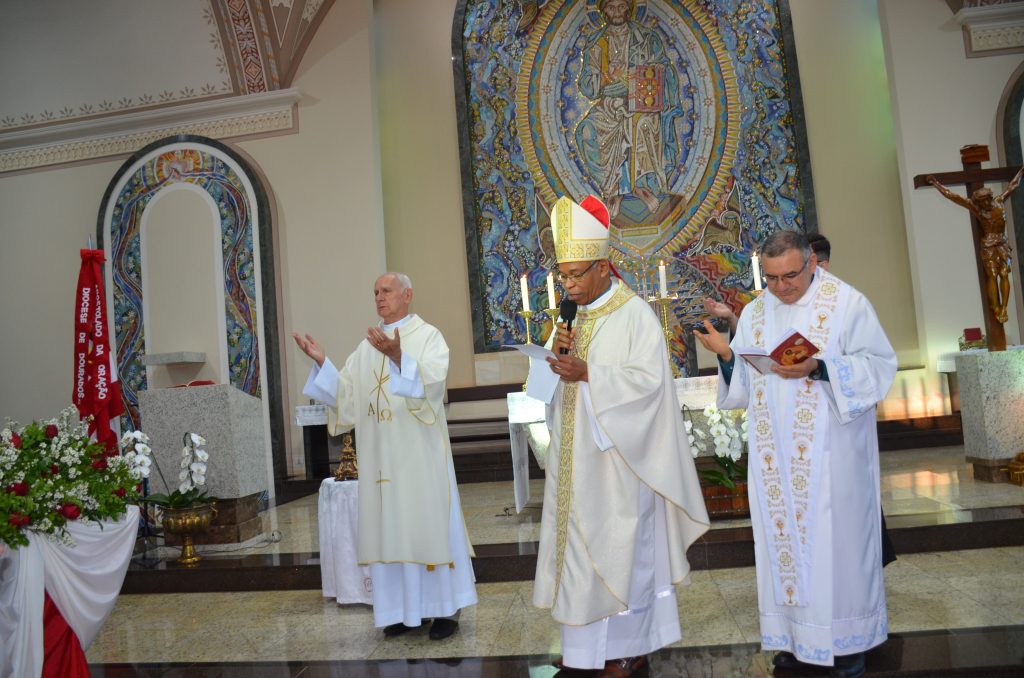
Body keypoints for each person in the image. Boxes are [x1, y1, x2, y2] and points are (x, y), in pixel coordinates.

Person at [695, 231, 897, 678]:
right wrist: (728, 355)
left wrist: (820, 366)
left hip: (834, 457)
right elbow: (745, 383)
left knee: (837, 548)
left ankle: (846, 643)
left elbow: (880, 366)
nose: (782, 287)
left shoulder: (847, 303)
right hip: (775, 461)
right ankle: (792, 638)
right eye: (771, 278)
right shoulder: (757, 310)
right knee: (782, 549)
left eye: (790, 276)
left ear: (811, 264)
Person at [535, 195, 710, 677]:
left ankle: (629, 646)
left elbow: (651, 387)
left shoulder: (634, 315)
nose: (567, 285)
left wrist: (590, 373)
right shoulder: (572, 318)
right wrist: (554, 361)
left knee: (621, 554)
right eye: (563, 275)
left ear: (602, 266)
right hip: (577, 462)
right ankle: (583, 650)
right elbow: (551, 390)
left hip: (621, 466)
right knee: (578, 556)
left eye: (574, 275)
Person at [293, 272, 477, 640]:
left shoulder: (427, 337)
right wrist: (322, 364)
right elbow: (347, 397)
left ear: (407, 294)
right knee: (389, 530)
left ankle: (444, 610)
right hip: (381, 466)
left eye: (387, 290)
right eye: (375, 292)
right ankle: (401, 612)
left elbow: (433, 385)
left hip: (418, 461)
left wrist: (399, 358)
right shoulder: (365, 349)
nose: (379, 297)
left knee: (425, 527)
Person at [575, 0, 684, 218]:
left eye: (621, 6)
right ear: (603, 10)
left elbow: (664, 69)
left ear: (629, 8)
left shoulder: (647, 39)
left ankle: (641, 185)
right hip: (609, 105)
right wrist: (606, 77)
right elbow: (586, 86)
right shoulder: (597, 43)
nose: (616, 12)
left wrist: (646, 77)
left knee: (642, 123)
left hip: (641, 101)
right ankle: (613, 189)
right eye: (611, 7)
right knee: (585, 131)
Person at [927, 167, 1023, 324]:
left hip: (1002, 243)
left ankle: (1004, 308)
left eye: (986, 200)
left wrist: (1021, 172)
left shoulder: (999, 202)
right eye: (981, 201)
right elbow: (953, 196)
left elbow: (1012, 185)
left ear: (991, 197)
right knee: (992, 275)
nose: (984, 203)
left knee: (1005, 273)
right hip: (989, 245)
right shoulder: (976, 208)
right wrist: (935, 183)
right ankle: (996, 307)